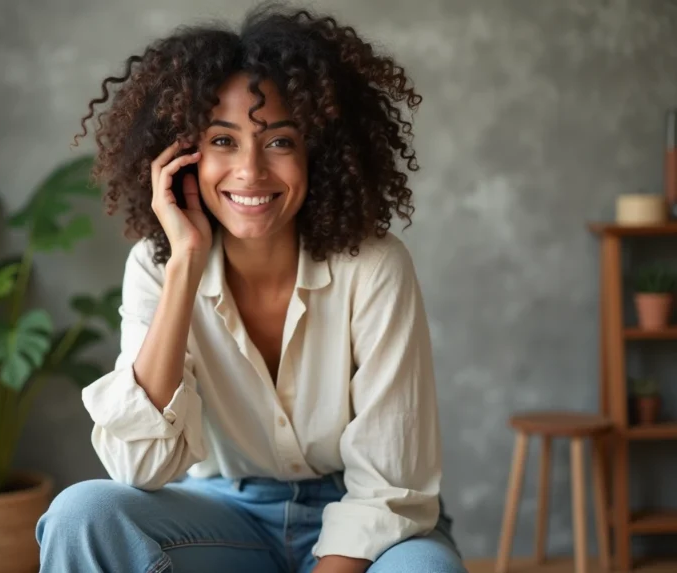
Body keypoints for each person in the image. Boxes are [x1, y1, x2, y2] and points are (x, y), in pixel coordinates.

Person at [36, 3, 466, 573]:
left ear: (320, 151)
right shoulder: (156, 265)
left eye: (280, 142)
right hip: (223, 519)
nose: (251, 171)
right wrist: (184, 264)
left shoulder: (374, 266)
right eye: (223, 141)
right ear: (183, 155)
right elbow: (139, 469)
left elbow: (389, 484)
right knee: (80, 512)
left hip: (367, 519)